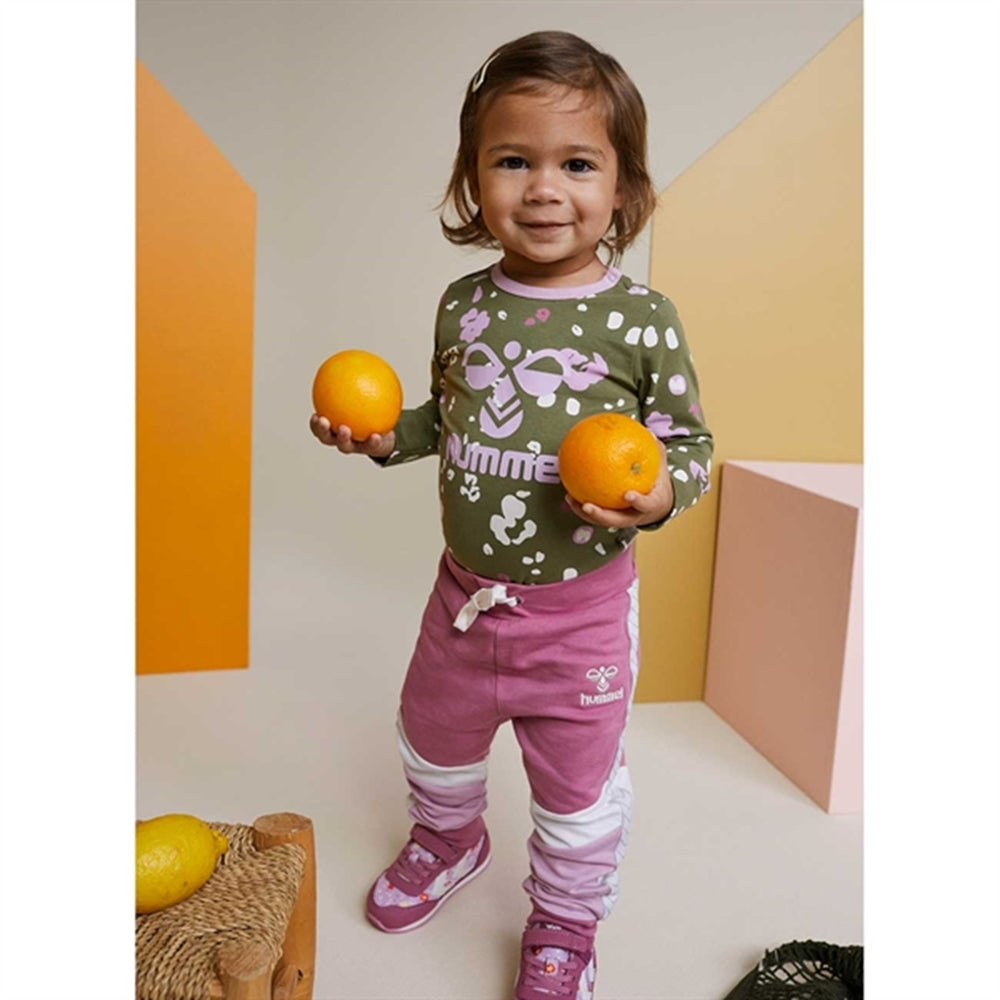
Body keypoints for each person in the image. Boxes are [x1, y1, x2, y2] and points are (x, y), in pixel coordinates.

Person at [310, 29, 713, 1000]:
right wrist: (382, 437)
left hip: (578, 619)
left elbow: (690, 447)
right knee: (432, 739)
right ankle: (450, 839)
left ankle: (566, 921)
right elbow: (442, 418)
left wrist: (657, 494)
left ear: (623, 188)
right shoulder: (464, 305)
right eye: (512, 161)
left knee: (577, 790)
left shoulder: (641, 319)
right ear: (471, 180)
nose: (542, 189)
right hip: (463, 600)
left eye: (577, 164)